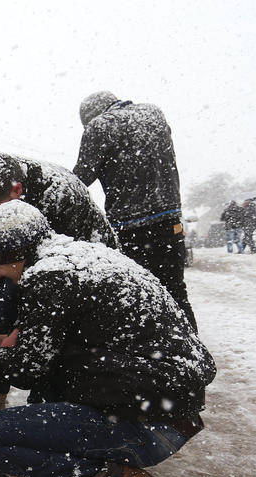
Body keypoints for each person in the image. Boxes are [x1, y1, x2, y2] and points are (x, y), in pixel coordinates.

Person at [0, 201, 215, 477]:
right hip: (171, 413)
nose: (0, 274)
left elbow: (26, 369)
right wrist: (5, 341)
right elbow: (74, 343)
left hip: (149, 426)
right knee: (50, 387)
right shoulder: (83, 258)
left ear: (12, 253)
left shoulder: (48, 276)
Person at [0, 152, 118, 413]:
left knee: (51, 339)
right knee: (2, 313)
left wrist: (23, 327)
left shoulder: (60, 197)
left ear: (17, 190)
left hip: (82, 262)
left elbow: (57, 288)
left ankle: (46, 407)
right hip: (30, 260)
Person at [74, 91, 198, 331]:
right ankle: (192, 346)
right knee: (175, 290)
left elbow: (82, 177)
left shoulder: (99, 126)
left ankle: (155, 346)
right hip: (170, 219)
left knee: (140, 296)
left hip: (131, 227)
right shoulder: (153, 114)